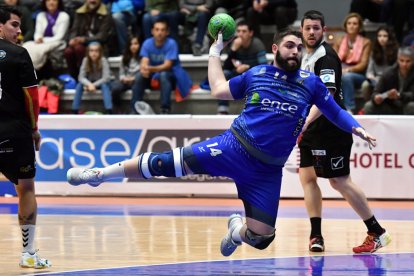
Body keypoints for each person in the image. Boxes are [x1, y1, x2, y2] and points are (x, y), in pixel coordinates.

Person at [66, 28, 377, 257]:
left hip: (267, 172)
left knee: (262, 237)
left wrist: (356, 128)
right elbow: (216, 88)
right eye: (289, 45)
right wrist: (215, 51)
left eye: (298, 48)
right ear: (275, 49)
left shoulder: (310, 84)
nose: (295, 51)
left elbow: (334, 110)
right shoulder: (257, 74)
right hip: (233, 148)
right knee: (164, 163)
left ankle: (235, 231)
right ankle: (99, 175)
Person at [299, 10, 391, 254]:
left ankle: (377, 231)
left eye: (316, 28)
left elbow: (326, 97)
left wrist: (304, 123)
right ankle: (316, 235)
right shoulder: (302, 55)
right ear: (301, 30)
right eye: (307, 28)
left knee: (339, 181)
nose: (311, 32)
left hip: (330, 128)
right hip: (310, 127)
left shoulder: (326, 58)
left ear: (324, 30)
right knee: (307, 178)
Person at [0, 5, 51, 268]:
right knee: (26, 188)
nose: (19, 31)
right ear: (0, 26)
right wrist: (34, 128)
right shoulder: (19, 54)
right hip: (13, 131)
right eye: (14, 25)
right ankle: (28, 254)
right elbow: (32, 98)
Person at [134, 18, 191, 114]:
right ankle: (134, 108)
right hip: (152, 76)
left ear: (167, 32)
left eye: (162, 30)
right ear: (152, 31)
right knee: (139, 76)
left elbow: (167, 66)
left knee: (163, 74)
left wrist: (150, 68)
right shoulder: (147, 43)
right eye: (157, 29)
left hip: (170, 76)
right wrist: (144, 68)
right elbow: (144, 61)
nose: (159, 32)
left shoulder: (171, 43)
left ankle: (165, 109)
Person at [217, 20, 267, 114]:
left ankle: (253, 111)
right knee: (225, 74)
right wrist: (233, 49)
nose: (240, 34)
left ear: (250, 33)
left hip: (253, 76)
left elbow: (263, 68)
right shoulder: (235, 44)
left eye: (244, 31)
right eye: (238, 31)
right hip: (238, 76)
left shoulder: (257, 44)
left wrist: (248, 68)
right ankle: (222, 109)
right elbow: (226, 67)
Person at [64, 0, 114, 79]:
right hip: (80, 42)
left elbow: (102, 36)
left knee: (79, 49)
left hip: (99, 45)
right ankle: (75, 78)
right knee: (68, 51)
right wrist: (72, 40)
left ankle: (85, 77)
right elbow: (74, 30)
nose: (92, 1)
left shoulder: (106, 13)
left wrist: (84, 39)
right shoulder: (79, 12)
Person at [333, 13, 372, 113]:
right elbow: (333, 59)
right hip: (340, 71)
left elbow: (363, 64)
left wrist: (348, 69)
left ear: (359, 26)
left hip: (358, 74)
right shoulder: (339, 40)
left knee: (347, 76)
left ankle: (349, 108)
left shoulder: (366, 42)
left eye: (355, 23)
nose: (351, 26)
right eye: (349, 23)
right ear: (345, 25)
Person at [22, 0, 70, 79]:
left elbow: (60, 36)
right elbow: (37, 33)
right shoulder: (41, 15)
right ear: (45, 3)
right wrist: (38, 38)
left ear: (58, 3)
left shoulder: (64, 16)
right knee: (26, 46)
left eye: (54, 0)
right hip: (41, 41)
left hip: (58, 42)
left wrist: (43, 40)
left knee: (40, 50)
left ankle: (35, 70)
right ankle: (26, 73)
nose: (51, 2)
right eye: (48, 0)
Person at [363, 46, 414, 115]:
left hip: (407, 105)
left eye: (408, 61)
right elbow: (376, 92)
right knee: (369, 106)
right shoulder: (388, 73)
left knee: (411, 106)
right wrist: (376, 98)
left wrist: (399, 95)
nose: (404, 64)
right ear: (397, 60)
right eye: (401, 60)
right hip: (390, 106)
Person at [71, 41, 113, 114]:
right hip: (90, 82)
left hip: (101, 82)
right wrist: (89, 84)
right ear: (88, 52)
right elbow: (81, 77)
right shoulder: (85, 60)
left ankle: (109, 110)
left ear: (100, 52)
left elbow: (106, 78)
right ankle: (75, 109)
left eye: (96, 51)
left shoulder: (103, 60)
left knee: (105, 86)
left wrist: (93, 85)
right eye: (91, 51)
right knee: (79, 85)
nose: (94, 53)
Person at [361, 26, 398, 102]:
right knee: (365, 85)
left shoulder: (396, 52)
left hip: (391, 79)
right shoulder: (374, 52)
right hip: (376, 79)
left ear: (390, 37)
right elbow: (369, 72)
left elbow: (396, 70)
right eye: (379, 36)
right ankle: (368, 105)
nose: (382, 38)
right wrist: (372, 78)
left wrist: (383, 79)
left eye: (385, 36)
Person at [111, 36, 141, 114]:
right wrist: (123, 79)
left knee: (136, 88)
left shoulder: (143, 58)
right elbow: (121, 73)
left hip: (137, 81)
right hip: (126, 81)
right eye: (131, 44)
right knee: (115, 88)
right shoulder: (125, 58)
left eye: (136, 44)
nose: (133, 46)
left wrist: (133, 79)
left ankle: (133, 110)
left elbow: (142, 72)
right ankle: (117, 109)